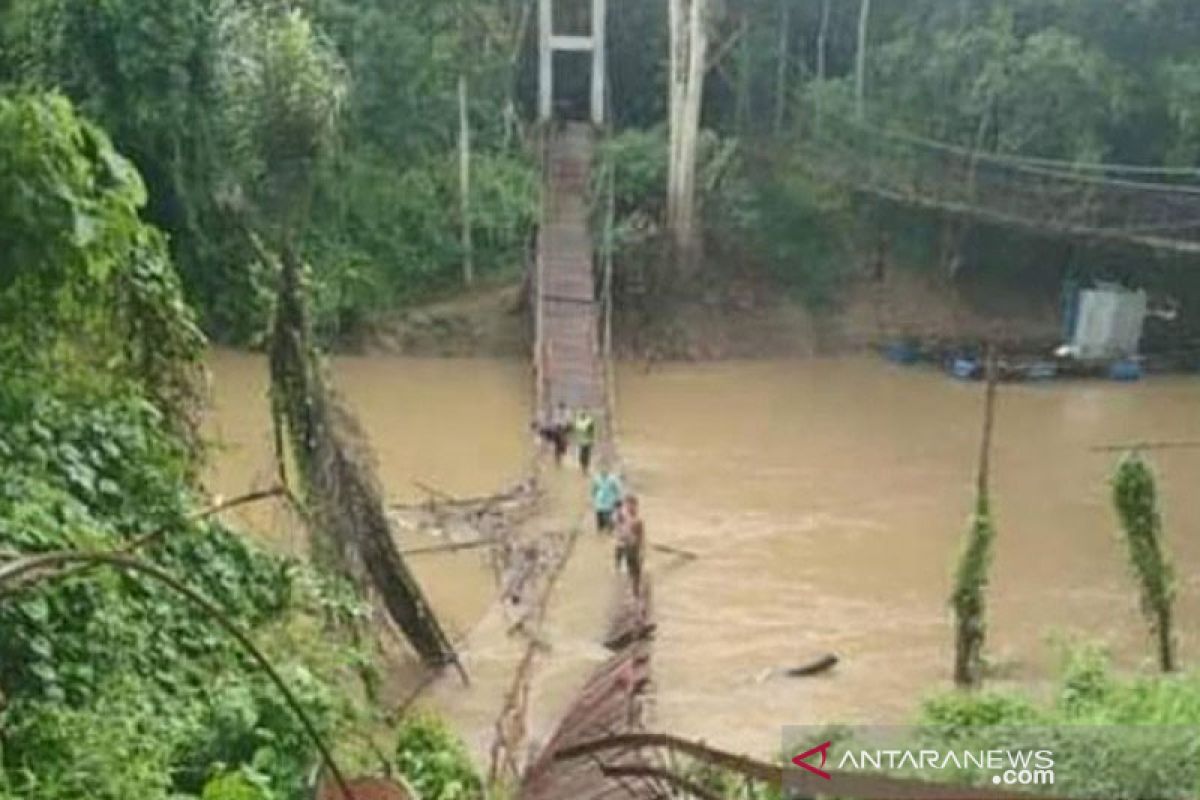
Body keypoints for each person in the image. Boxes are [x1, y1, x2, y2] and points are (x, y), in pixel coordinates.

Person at [615, 494, 645, 595]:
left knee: (636, 573)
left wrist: (641, 551)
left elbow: (641, 538)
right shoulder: (622, 517)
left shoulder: (638, 521)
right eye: (628, 505)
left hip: (634, 548)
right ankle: (631, 590)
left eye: (632, 505)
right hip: (626, 547)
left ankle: (635, 591)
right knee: (629, 570)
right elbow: (619, 530)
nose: (630, 508)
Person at [590, 463, 623, 534]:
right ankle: (601, 533)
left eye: (605, 469)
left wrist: (618, 499)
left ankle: (609, 531)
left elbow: (618, 489)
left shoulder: (613, 479)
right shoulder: (596, 478)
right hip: (599, 503)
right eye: (602, 469)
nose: (603, 470)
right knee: (600, 522)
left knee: (610, 520)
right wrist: (592, 499)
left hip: (610, 502)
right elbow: (593, 490)